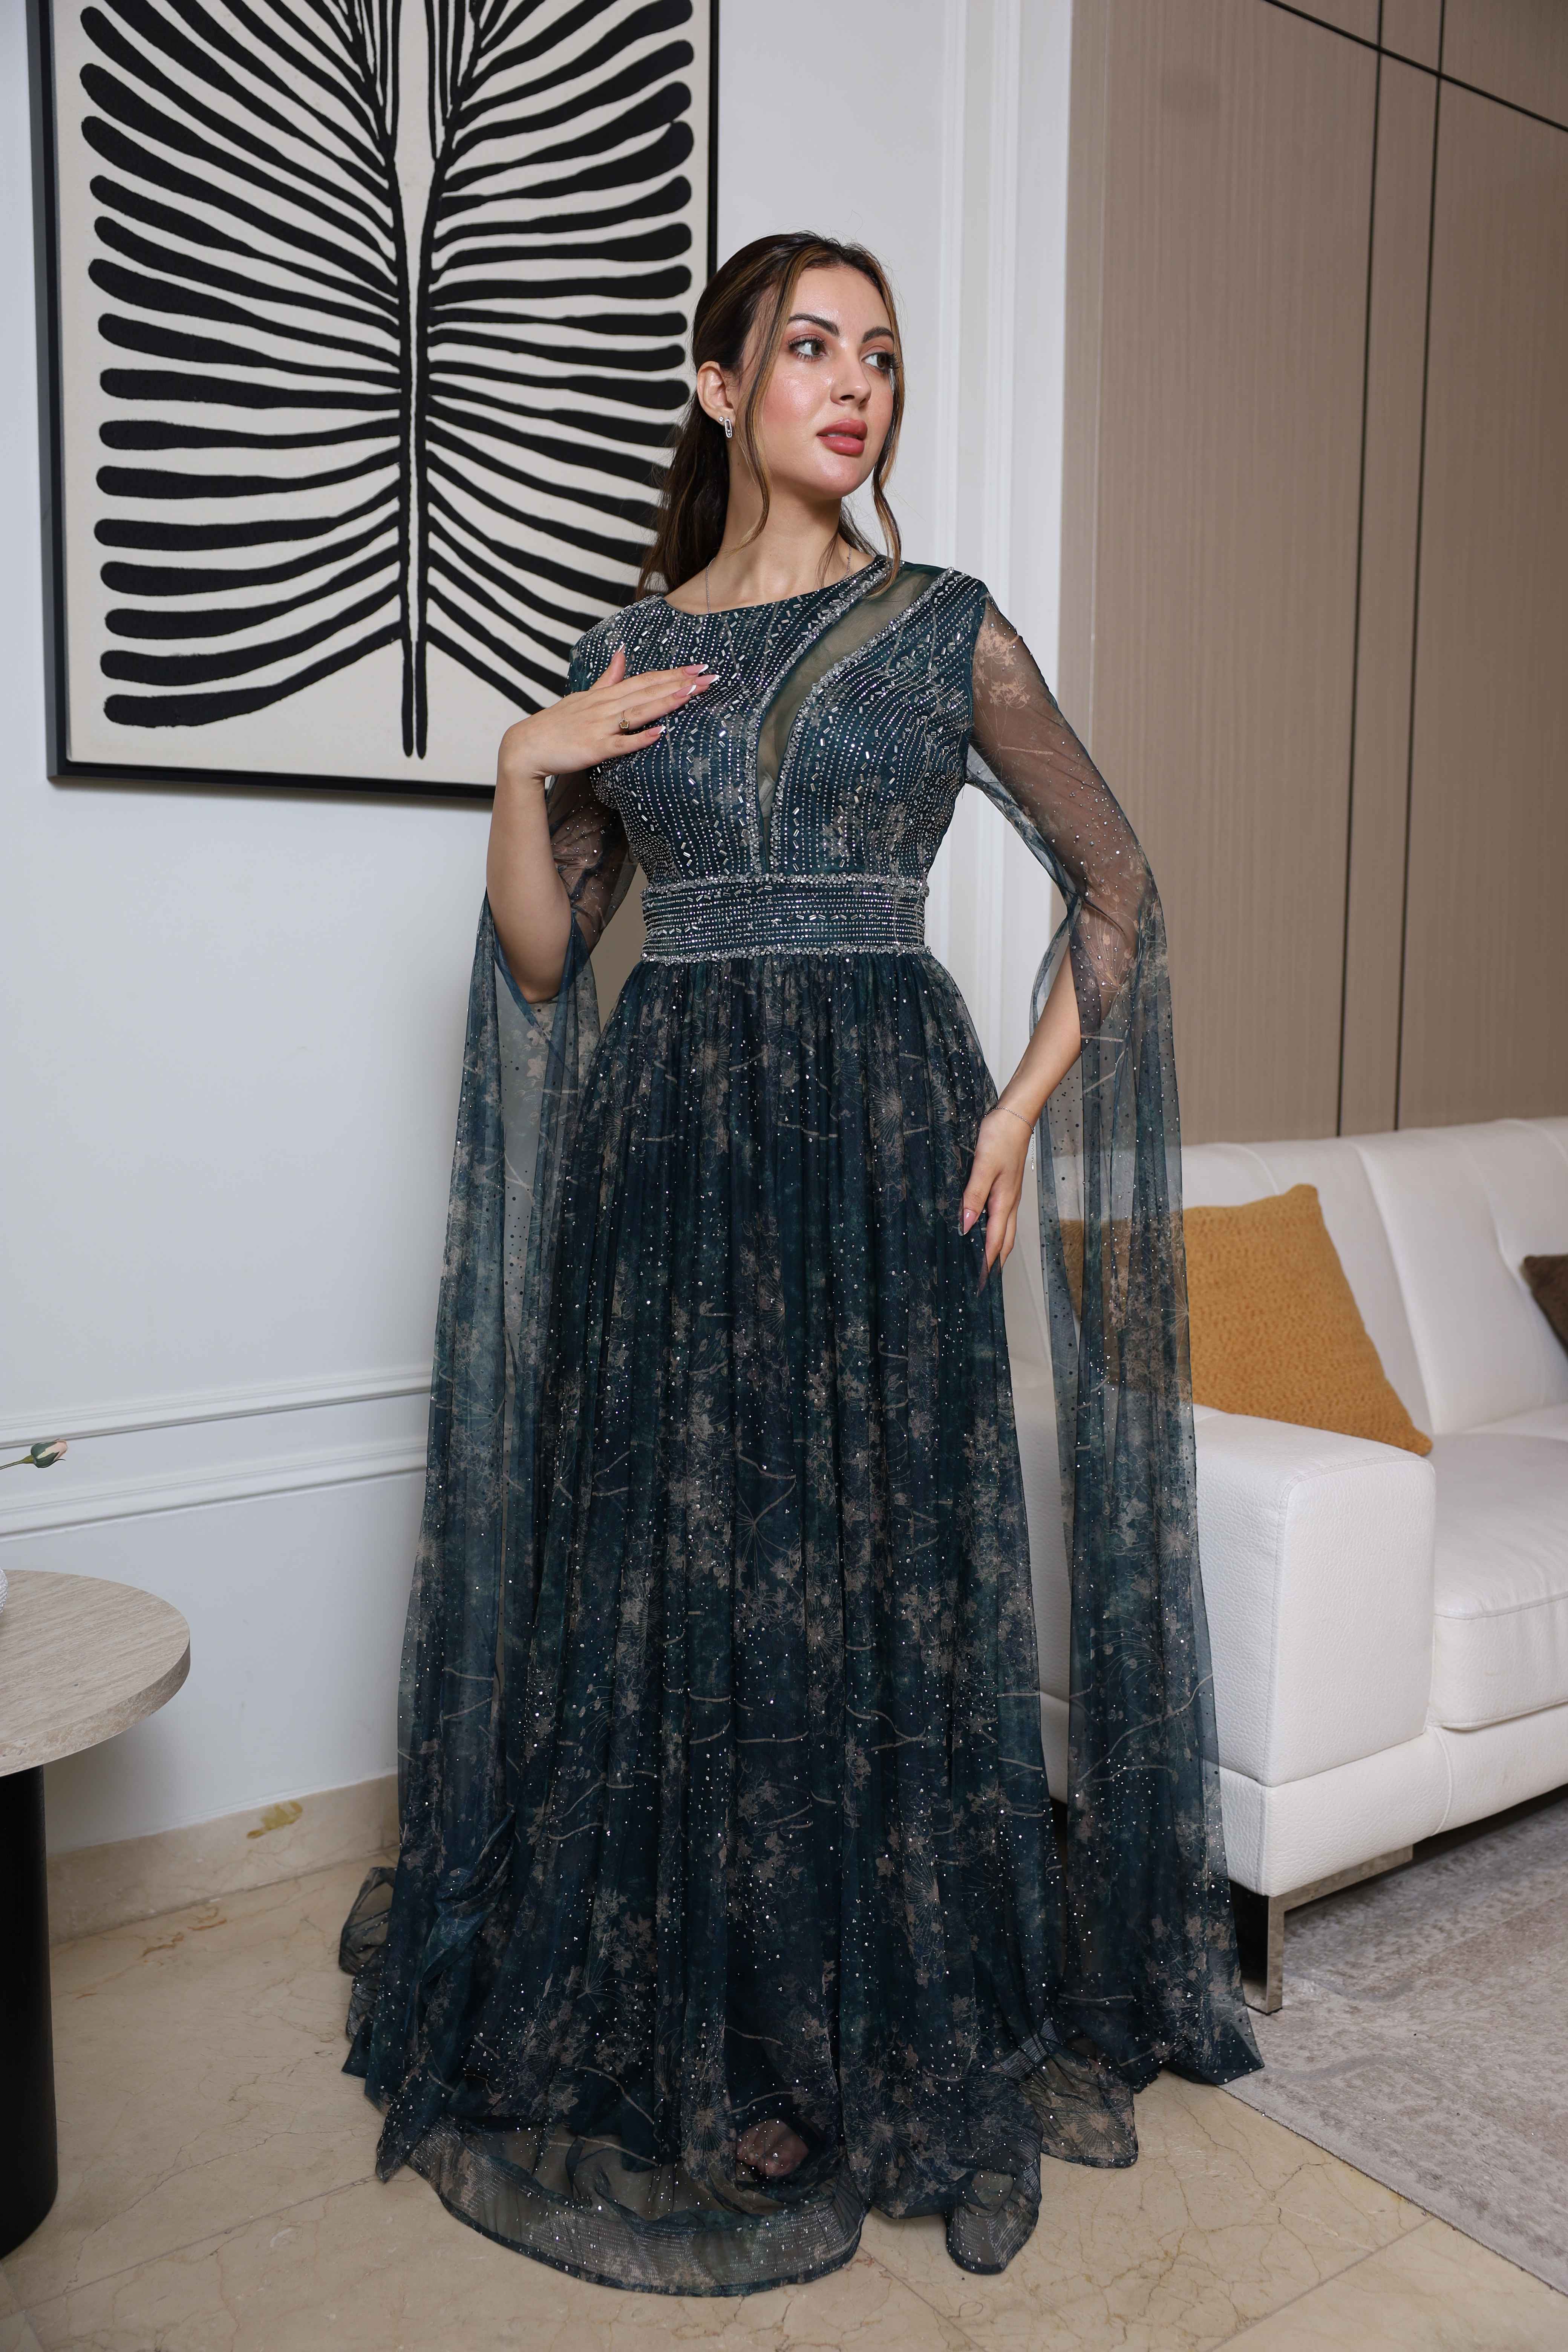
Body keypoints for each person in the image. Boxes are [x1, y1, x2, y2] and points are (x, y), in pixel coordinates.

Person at [340, 230, 1259, 2295]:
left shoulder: (946, 629)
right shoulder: (630, 648)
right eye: (813, 349)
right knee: (689, 1574)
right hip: (669, 1156)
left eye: (884, 358)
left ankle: (870, 2023)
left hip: (885, 1139)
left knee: (867, 1571)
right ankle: (728, 2029)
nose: (856, 388)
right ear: (718, 384)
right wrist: (524, 766)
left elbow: (1117, 890)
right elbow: (545, 958)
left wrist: (1013, 1117)